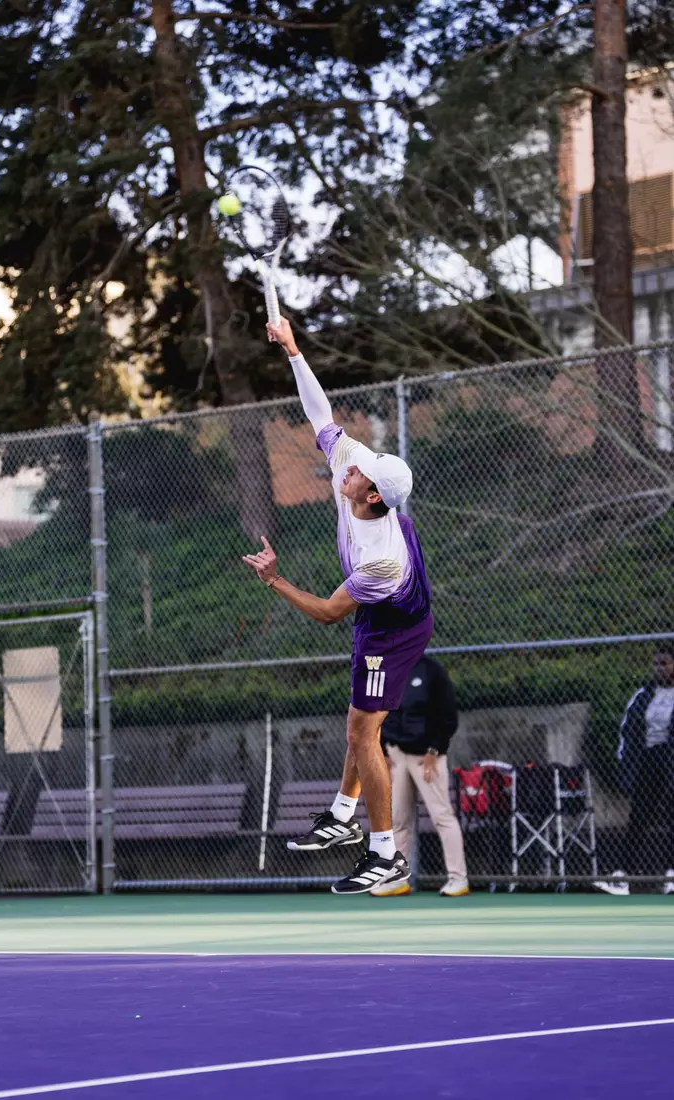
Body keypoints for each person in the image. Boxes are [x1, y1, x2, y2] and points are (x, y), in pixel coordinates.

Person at [243, 318, 433, 896]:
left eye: (358, 473)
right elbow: (320, 414)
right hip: (380, 615)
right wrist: (293, 350)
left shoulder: (382, 561)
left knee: (363, 733)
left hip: (394, 628)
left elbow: (329, 613)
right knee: (358, 726)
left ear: (372, 495)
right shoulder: (355, 473)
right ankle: (343, 816)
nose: (346, 466)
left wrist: (275, 581)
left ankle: (386, 855)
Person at [372, 655, 469, 898]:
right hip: (396, 756)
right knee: (398, 820)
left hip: (426, 758)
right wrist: (383, 750)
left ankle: (458, 878)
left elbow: (448, 716)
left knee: (442, 816)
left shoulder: (432, 670)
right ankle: (396, 881)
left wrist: (434, 751)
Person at [593, 641, 674, 896]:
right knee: (638, 818)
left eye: (665, 663)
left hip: (670, 759)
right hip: (649, 760)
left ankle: (671, 876)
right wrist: (626, 765)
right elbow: (628, 731)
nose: (660, 668)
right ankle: (623, 877)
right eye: (656, 664)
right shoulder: (643, 695)